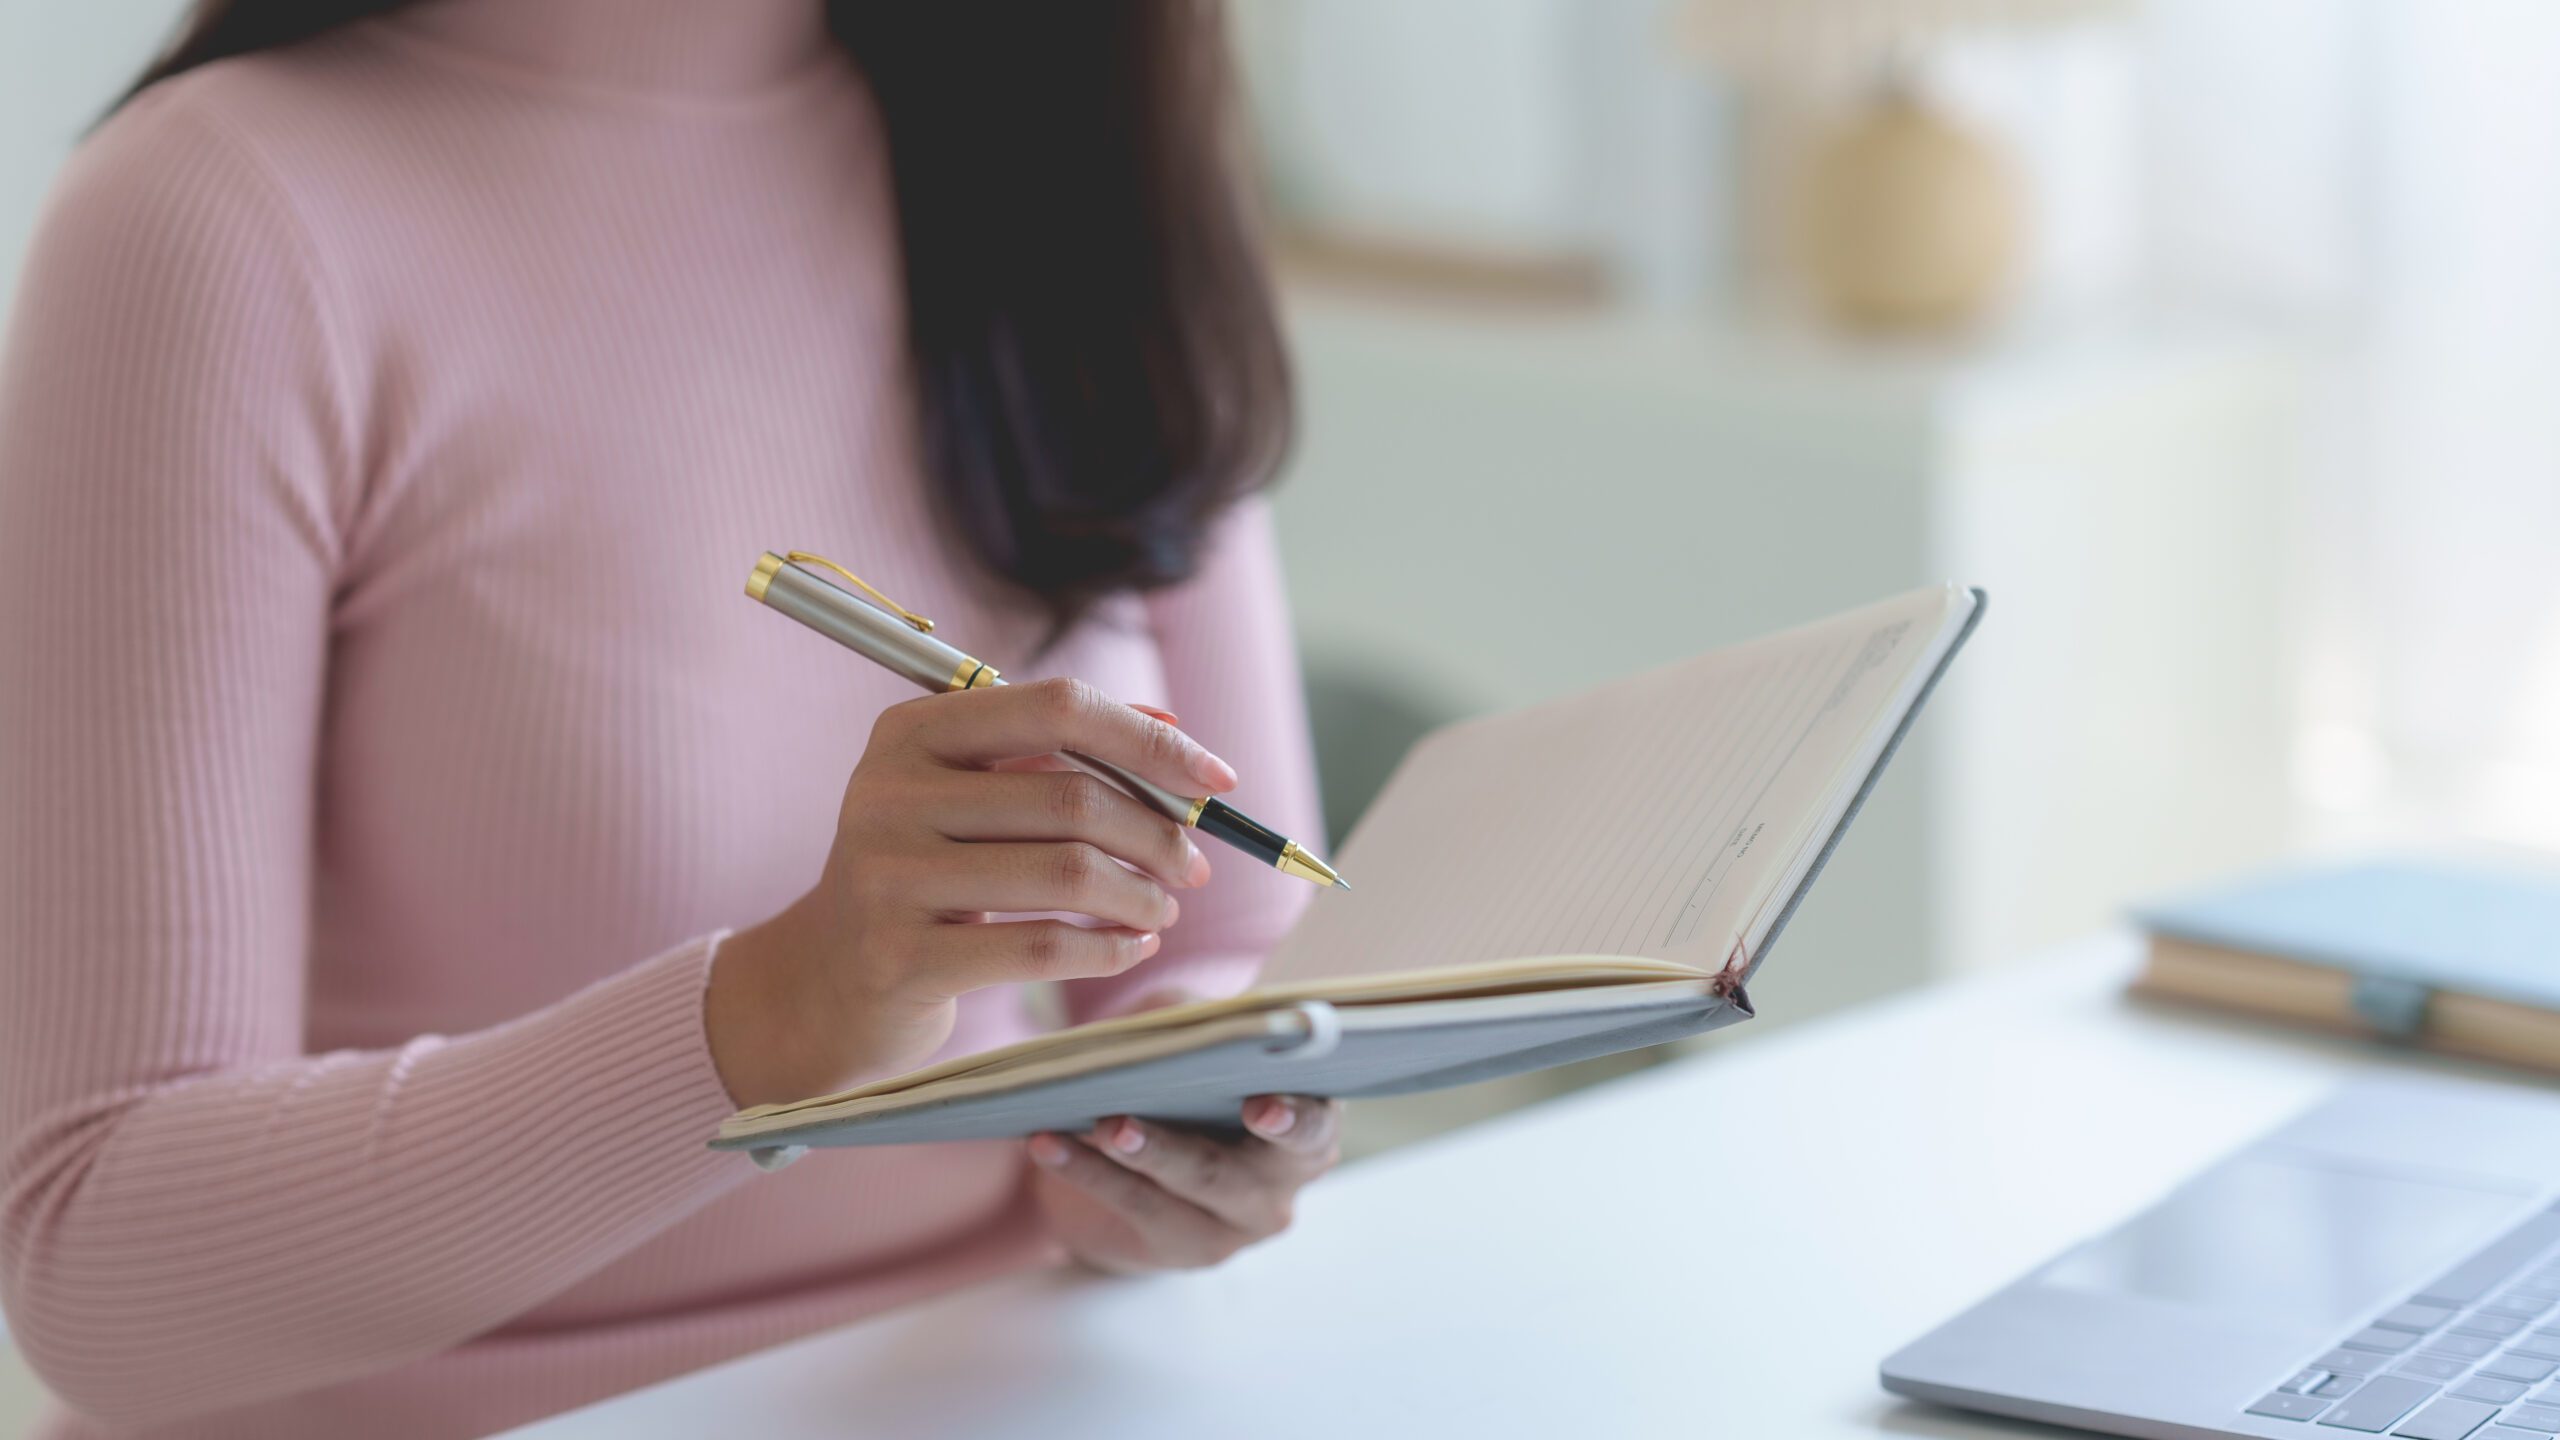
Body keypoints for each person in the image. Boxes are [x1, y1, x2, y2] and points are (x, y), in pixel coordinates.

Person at [0, 1, 1340, 1434]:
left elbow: (1237, 944)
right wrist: (777, 1016)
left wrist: (1176, 1139)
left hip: (1008, 1388)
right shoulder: (214, 218)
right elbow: (98, 1256)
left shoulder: (1074, 143)